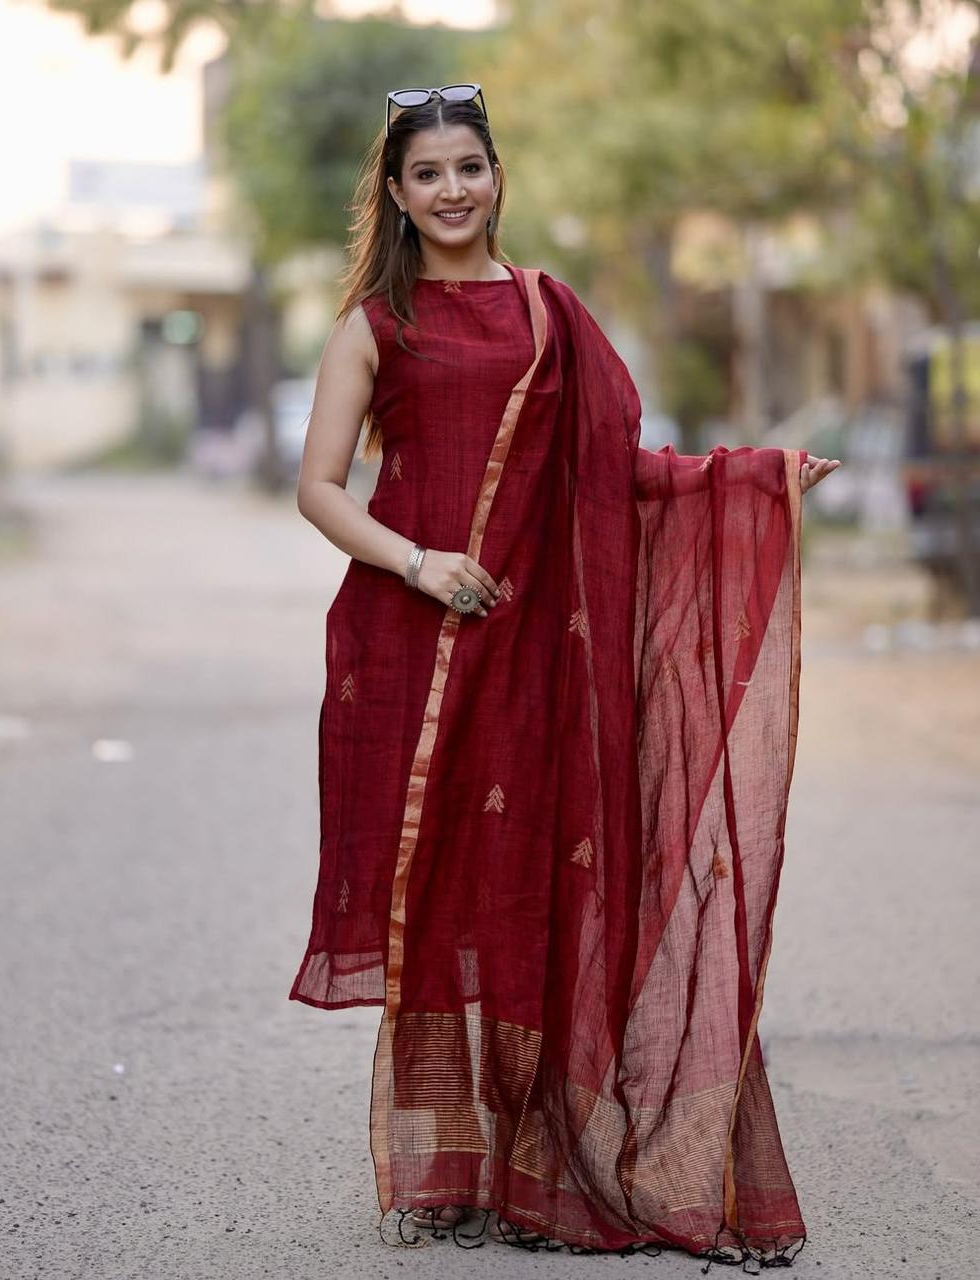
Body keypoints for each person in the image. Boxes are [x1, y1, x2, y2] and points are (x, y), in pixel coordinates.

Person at [288, 82, 840, 1268]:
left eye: (468, 168)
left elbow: (612, 474)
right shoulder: (374, 326)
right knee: (437, 895)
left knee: (537, 890)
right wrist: (421, 563)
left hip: (545, 648)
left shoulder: (550, 316)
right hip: (414, 642)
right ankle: (445, 1162)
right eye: (426, 173)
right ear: (393, 193)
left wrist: (749, 480)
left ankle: (538, 1162)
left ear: (498, 178)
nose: (450, 191)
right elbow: (319, 486)